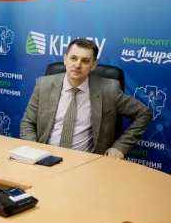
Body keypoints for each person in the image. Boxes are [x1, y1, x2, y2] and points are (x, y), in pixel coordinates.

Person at [20, 39, 152, 158]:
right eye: (73, 58)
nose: (77, 65)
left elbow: (144, 114)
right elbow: (28, 122)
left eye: (85, 61)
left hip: (85, 162)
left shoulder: (109, 90)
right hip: (46, 157)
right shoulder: (44, 85)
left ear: (93, 65)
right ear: (65, 59)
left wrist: (120, 147)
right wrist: (34, 150)